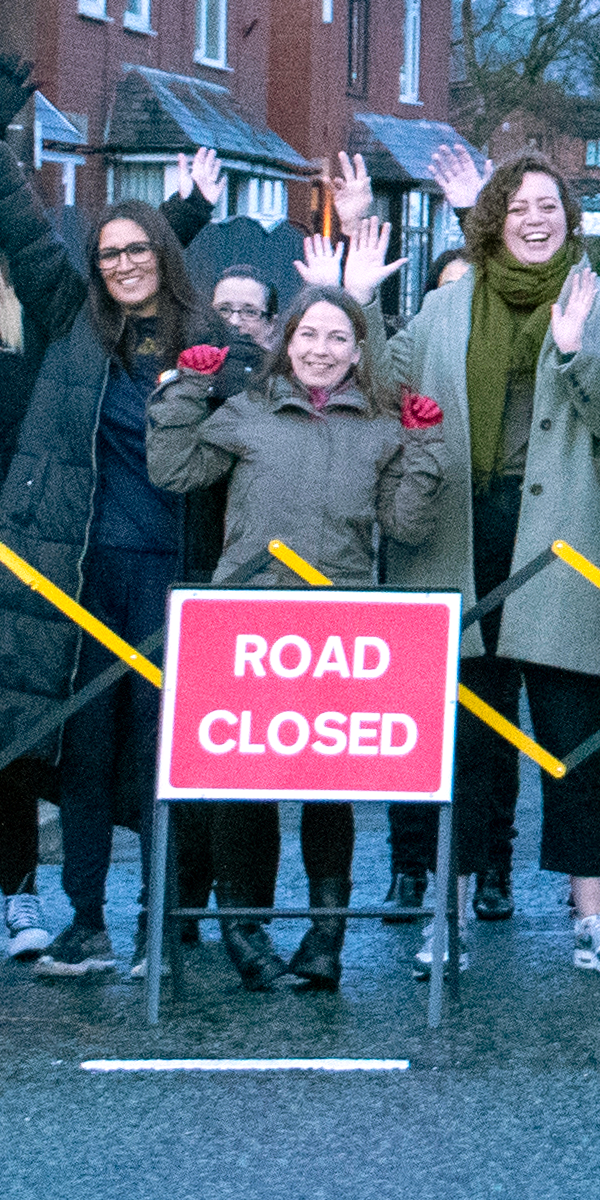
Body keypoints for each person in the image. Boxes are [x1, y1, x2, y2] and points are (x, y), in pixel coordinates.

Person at [343, 150, 600, 976]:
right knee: (465, 740)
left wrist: (576, 351)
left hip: (564, 540)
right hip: (457, 537)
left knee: (574, 737)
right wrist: (361, 296)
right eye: (518, 207)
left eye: (549, 204)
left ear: (569, 217)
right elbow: (383, 382)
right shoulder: (446, 303)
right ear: (493, 220)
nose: (535, 218)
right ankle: (454, 912)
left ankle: (592, 916)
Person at [0, 90, 224, 980]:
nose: (119, 265)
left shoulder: (208, 340)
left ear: (164, 256)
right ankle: (87, 918)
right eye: (107, 254)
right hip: (77, 565)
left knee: (162, 744)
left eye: (137, 249)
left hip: (172, 571)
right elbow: (28, 235)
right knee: (87, 739)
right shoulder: (76, 322)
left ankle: (162, 914)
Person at [150, 277, 451, 989]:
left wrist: (425, 445)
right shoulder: (246, 410)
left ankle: (325, 938)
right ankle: (245, 931)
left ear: (357, 352)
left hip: (338, 623)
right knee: (242, 784)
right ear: (286, 340)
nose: (321, 349)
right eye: (309, 334)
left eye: (337, 338)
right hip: (245, 620)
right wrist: (185, 392)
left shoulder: (380, 425)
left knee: (328, 787)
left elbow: (407, 523)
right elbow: (173, 469)